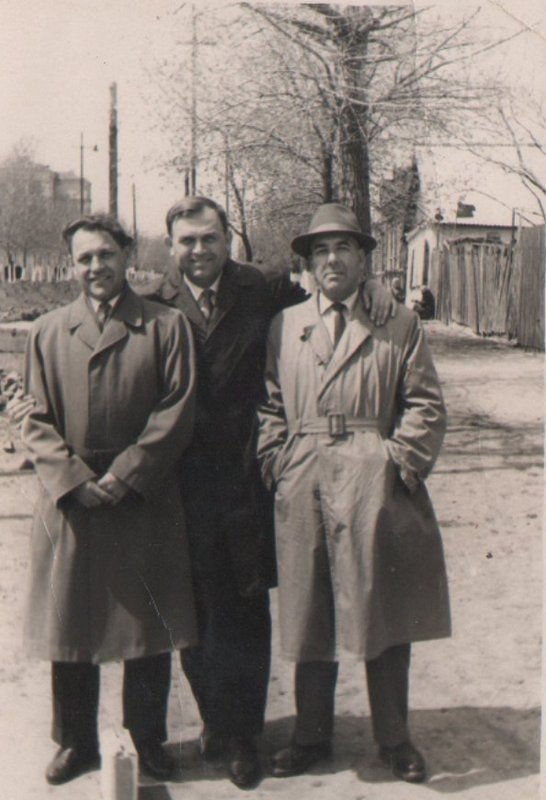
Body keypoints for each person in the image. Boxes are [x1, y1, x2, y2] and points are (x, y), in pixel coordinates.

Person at [149, 195, 396, 789]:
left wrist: (375, 289)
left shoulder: (262, 288)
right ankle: (215, 722)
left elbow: (329, 295)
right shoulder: (155, 303)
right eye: (187, 241)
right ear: (171, 246)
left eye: (210, 238)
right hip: (181, 481)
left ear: (228, 238)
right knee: (196, 610)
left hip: (247, 478)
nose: (199, 250)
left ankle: (242, 736)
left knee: (245, 607)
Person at [257, 203, 451, 784]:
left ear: (364, 259)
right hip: (305, 472)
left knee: (380, 607)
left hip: (372, 475)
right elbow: (270, 404)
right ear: (308, 264)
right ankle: (310, 735)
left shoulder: (397, 324)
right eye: (320, 250)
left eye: (344, 247)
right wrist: (277, 462)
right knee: (308, 609)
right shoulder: (285, 325)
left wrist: (395, 462)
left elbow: (425, 405)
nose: (332, 259)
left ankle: (394, 738)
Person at [21, 214, 197, 786]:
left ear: (127, 255)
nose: (95, 266)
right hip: (72, 501)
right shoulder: (48, 332)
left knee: (146, 625)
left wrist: (128, 473)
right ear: (71, 265)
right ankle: (75, 741)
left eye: (105, 254)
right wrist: (73, 478)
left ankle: (148, 738)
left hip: (142, 496)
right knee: (71, 625)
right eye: (84, 258)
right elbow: (34, 419)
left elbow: (177, 409)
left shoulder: (166, 326)